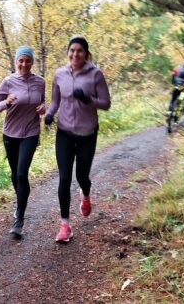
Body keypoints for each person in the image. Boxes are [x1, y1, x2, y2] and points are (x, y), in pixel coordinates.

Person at [44, 35, 111, 243]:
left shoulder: (95, 75)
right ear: (68, 52)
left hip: (87, 135)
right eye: (72, 50)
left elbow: (105, 103)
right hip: (64, 132)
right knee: (64, 178)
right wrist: (48, 114)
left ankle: (86, 194)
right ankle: (65, 225)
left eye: (79, 50)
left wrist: (88, 99)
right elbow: (55, 101)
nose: (75, 54)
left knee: (82, 176)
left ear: (86, 53)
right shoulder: (60, 74)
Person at [0, 46, 45, 236]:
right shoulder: (8, 82)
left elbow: (42, 102)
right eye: (20, 60)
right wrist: (6, 103)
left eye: (27, 60)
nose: (24, 64)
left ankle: (19, 217)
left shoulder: (40, 82)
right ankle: (20, 200)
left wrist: (43, 108)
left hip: (30, 132)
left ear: (32, 62)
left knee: (22, 174)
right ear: (16, 62)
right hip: (10, 134)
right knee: (15, 174)